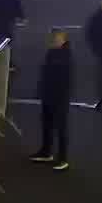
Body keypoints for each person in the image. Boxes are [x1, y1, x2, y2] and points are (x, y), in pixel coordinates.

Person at [29, 30, 72, 171]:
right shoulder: (52, 53)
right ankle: (46, 152)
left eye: (57, 39)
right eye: (53, 38)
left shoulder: (65, 56)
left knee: (60, 128)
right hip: (49, 95)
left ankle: (63, 158)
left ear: (64, 40)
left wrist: (60, 95)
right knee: (47, 124)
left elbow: (65, 80)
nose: (54, 41)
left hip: (59, 97)